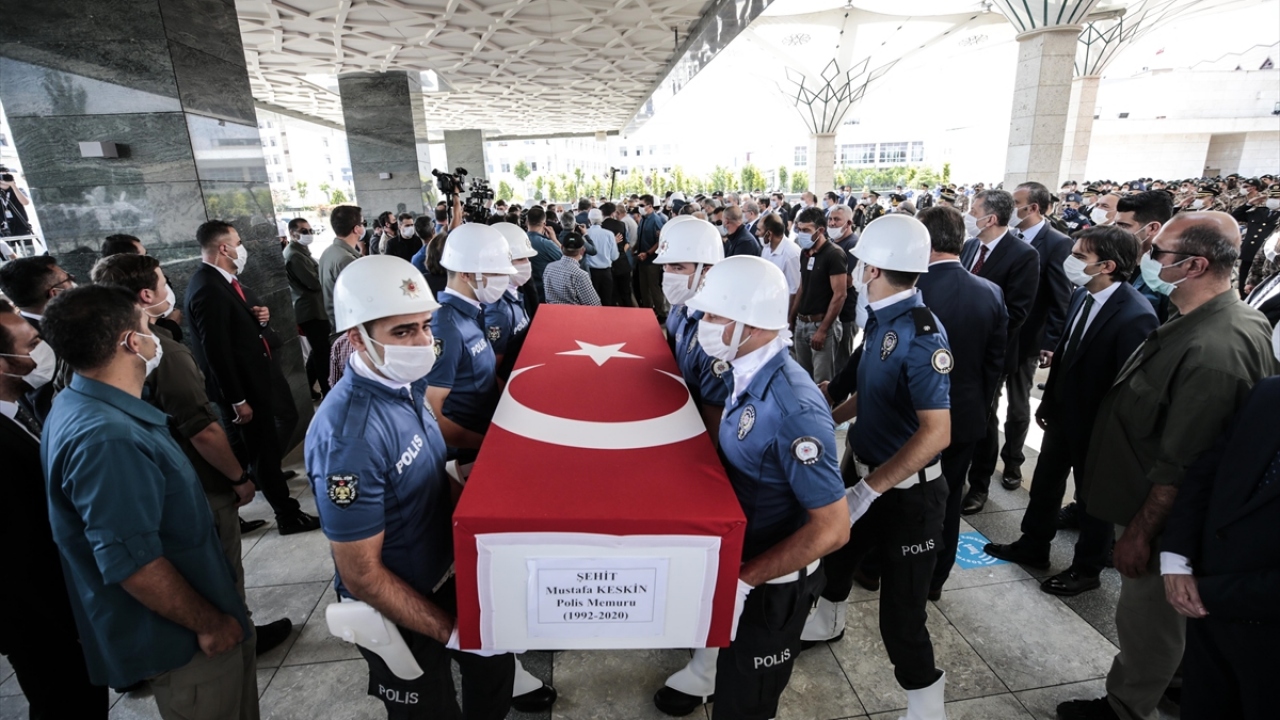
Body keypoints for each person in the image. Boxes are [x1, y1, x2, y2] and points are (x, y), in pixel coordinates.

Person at [1057, 212, 1278, 720]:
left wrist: (1140, 533)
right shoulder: (1195, 321)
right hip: (1145, 503)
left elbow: (1184, 463)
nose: (1147, 259)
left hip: (1159, 520)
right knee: (1165, 625)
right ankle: (1175, 682)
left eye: (1157, 252)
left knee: (1147, 620)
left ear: (1195, 265)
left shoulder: (1216, 348)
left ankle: (1125, 705)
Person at [307, 255, 516, 719]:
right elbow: (362, 574)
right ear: (357, 338)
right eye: (402, 332)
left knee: (495, 673)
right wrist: (450, 630)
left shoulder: (404, 387)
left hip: (446, 574)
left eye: (424, 325)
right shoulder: (349, 439)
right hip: (398, 602)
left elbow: (430, 472)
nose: (423, 342)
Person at [40, 284, 257, 720]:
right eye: (145, 325)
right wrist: (209, 625)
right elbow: (131, 560)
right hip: (184, 642)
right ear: (131, 342)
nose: (154, 335)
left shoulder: (85, 403)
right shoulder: (107, 437)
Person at [91, 252, 297, 654]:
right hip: (196, 481)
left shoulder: (122, 348)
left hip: (173, 481)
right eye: (166, 284)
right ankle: (240, 635)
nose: (173, 292)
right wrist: (239, 478)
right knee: (220, 567)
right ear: (146, 294)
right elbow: (201, 427)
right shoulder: (157, 351)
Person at [678, 255, 848, 720]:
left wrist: (745, 580)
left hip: (771, 585)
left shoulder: (793, 408)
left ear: (751, 323)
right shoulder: (746, 369)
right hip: (743, 562)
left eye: (714, 316)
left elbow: (833, 528)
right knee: (729, 682)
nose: (703, 324)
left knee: (745, 706)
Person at [801, 214, 953, 720]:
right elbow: (875, 394)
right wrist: (827, 417)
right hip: (862, 470)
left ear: (870, 270)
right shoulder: (884, 319)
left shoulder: (922, 333)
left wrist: (870, 490)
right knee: (836, 561)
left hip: (908, 495)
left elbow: (937, 432)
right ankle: (828, 621)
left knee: (901, 617)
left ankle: (925, 699)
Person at [983, 227, 1157, 598]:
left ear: (1107, 266)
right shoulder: (1083, 295)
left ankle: (1087, 567)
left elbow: (1129, 385)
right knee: (1045, 483)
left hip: (1098, 425)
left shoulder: (1136, 314)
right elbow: (1065, 354)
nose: (1070, 261)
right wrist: (1047, 402)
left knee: (1094, 500)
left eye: (1080, 256)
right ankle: (1034, 544)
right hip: (1063, 414)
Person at [1159, 334, 1280, 719]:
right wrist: (1177, 560)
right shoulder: (1268, 395)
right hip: (1210, 626)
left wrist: (1208, 591)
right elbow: (1206, 474)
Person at [0, 299, 108, 718]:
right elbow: (17, 553)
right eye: (31, 345)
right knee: (65, 701)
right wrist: (71, 622)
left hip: (60, 606)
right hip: (40, 620)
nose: (42, 350)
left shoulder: (22, 408)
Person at [185, 220, 319, 536]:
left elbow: (239, 330)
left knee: (265, 447)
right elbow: (216, 352)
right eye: (239, 241)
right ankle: (287, 514)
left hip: (257, 378)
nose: (242, 248)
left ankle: (262, 476)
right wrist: (237, 399)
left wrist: (260, 320)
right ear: (223, 247)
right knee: (259, 449)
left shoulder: (227, 283)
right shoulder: (207, 288)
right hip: (243, 389)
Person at [650, 218, 728, 717]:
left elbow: (715, 421)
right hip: (683, 442)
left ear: (705, 268)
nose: (669, 276)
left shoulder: (715, 326)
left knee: (717, 566)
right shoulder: (683, 311)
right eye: (666, 267)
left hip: (713, 460)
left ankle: (709, 667)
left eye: (678, 266)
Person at [911, 206, 1008, 599]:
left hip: (914, 417)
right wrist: (978, 413)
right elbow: (994, 366)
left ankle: (884, 569)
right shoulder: (990, 292)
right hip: (964, 418)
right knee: (948, 501)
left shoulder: (912, 290)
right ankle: (935, 579)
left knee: (904, 496)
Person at [958, 190, 1040, 514]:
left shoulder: (1023, 255)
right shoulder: (969, 247)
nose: (968, 213)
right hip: (957, 351)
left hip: (990, 354)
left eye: (973, 210)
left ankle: (979, 485)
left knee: (984, 418)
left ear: (990, 218)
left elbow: (1017, 312)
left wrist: (973, 336)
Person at [996, 182, 1073, 491]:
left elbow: (1060, 296)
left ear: (1033, 209)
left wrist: (1050, 342)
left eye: (1016, 203)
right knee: (988, 403)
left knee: (1017, 405)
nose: (1011, 209)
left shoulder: (1056, 243)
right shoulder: (1008, 237)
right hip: (1000, 335)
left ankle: (1013, 462)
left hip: (1028, 340)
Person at [0, 255, 75, 419]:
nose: (74, 284)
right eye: (69, 278)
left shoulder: (23, 329)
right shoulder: (39, 347)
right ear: (55, 293)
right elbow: (45, 405)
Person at [789, 207, 848, 384]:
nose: (801, 234)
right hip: (802, 323)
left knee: (822, 383)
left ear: (820, 230)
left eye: (806, 230)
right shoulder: (805, 253)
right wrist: (792, 319)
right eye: (799, 229)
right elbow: (802, 287)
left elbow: (840, 294)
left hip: (821, 325)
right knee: (803, 381)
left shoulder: (834, 254)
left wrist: (822, 330)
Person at [283, 217, 332, 399]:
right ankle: (328, 392)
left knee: (318, 350)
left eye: (310, 230)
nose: (309, 234)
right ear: (292, 233)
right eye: (304, 231)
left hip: (316, 309)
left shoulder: (300, 251)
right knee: (322, 354)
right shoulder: (294, 255)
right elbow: (313, 282)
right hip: (311, 311)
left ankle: (309, 385)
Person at [1113, 190, 1174, 323]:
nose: (1116, 232)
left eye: (1124, 226)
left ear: (1152, 228)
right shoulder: (1115, 260)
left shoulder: (1171, 275)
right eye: (1116, 224)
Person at [484, 223, 536, 379]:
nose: (527, 263)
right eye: (520, 258)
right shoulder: (497, 310)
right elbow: (494, 368)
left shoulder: (514, 293)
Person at [321, 205, 367, 337]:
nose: (364, 227)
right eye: (363, 223)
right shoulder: (346, 259)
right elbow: (358, 300)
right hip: (350, 330)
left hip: (339, 326)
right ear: (356, 229)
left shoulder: (329, 252)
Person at [1233, 180, 1280, 297]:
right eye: (1272, 196)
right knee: (1244, 287)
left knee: (1262, 291)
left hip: (1267, 259)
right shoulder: (1258, 211)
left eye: (1277, 197)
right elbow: (1235, 216)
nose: (1273, 199)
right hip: (1249, 254)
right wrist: (1249, 203)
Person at [523, 205, 563, 314]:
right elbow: (567, 260)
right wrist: (554, 239)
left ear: (526, 222)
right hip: (544, 293)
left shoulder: (518, 241)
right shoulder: (547, 244)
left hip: (524, 294)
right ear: (544, 224)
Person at [634, 194, 668, 319]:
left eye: (641, 205)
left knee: (653, 287)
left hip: (651, 259)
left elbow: (660, 241)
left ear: (650, 206)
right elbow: (640, 237)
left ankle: (661, 313)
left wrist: (648, 253)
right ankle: (647, 312)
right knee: (644, 287)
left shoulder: (656, 220)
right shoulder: (643, 219)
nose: (639, 208)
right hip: (641, 258)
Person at [544, 232, 601, 306]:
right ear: (582, 250)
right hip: (574, 315)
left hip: (552, 314)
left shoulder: (549, 267)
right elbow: (594, 305)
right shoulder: (580, 275)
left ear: (561, 247)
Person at [757, 213, 801, 306]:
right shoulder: (767, 247)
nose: (756, 233)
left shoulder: (791, 254)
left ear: (769, 234)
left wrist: (788, 317)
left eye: (759, 230)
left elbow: (794, 290)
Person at [583, 208, 618, 304]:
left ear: (589, 220)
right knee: (606, 301)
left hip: (590, 273)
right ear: (601, 220)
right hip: (606, 272)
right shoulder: (609, 234)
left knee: (591, 302)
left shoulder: (585, 235)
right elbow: (614, 256)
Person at [602, 215, 634, 307]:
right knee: (626, 293)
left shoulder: (602, 227)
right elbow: (627, 243)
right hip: (623, 263)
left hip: (610, 266)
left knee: (613, 295)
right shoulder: (621, 225)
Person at [0, 171, 32, 237]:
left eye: (6, 177)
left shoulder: (18, 189)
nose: (3, 179)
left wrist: (13, 185)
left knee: (28, 247)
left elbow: (25, 202)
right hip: (3, 227)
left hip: (20, 224)